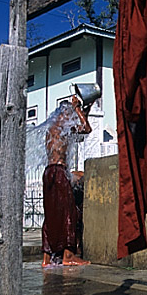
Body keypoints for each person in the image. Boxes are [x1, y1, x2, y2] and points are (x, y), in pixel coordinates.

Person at [41, 95, 92, 267]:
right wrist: (77, 108)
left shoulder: (52, 128)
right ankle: (68, 256)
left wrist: (86, 110)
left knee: (51, 215)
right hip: (59, 172)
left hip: (49, 172)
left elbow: (78, 134)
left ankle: (46, 258)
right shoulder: (63, 126)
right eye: (69, 113)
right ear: (64, 114)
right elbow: (86, 129)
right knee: (69, 213)